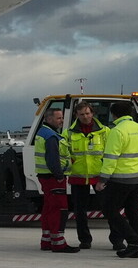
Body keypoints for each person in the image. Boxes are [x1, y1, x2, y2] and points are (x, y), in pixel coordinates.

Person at [95, 101, 138, 259]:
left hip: (121, 179)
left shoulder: (117, 131)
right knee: (134, 212)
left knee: (110, 210)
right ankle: (135, 248)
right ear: (131, 113)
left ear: (114, 114)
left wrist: (102, 180)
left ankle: (133, 241)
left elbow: (111, 158)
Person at [33, 107, 76, 253]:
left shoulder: (43, 133)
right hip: (53, 178)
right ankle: (58, 243)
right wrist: (59, 176)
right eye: (59, 118)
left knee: (48, 209)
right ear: (49, 119)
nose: (62, 121)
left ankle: (46, 241)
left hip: (45, 177)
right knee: (59, 209)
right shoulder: (51, 136)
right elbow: (52, 160)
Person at [66, 101, 106, 249]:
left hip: (100, 177)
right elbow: (63, 154)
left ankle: (117, 240)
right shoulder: (68, 133)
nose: (85, 116)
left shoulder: (104, 131)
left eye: (87, 113)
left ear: (92, 113)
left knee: (109, 209)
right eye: (82, 114)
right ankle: (85, 240)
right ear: (76, 115)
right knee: (80, 212)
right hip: (78, 177)